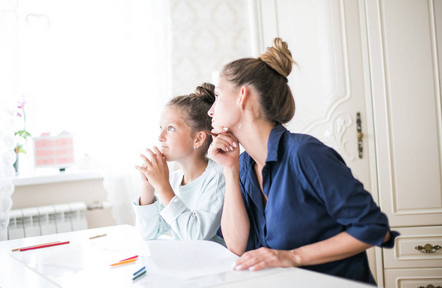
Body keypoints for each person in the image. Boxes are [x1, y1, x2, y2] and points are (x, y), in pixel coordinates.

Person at [206, 38, 399, 284]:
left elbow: (376, 230)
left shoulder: (305, 154)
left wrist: (292, 257)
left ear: (242, 96)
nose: (210, 111)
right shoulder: (243, 166)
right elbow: (235, 246)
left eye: (218, 96)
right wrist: (230, 170)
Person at [133, 83, 225, 245]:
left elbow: (196, 235)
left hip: (213, 265)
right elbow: (148, 233)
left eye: (171, 128)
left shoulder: (217, 177)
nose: (160, 136)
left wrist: (163, 187)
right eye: (161, 127)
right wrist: (148, 186)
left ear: (198, 139)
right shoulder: (174, 179)